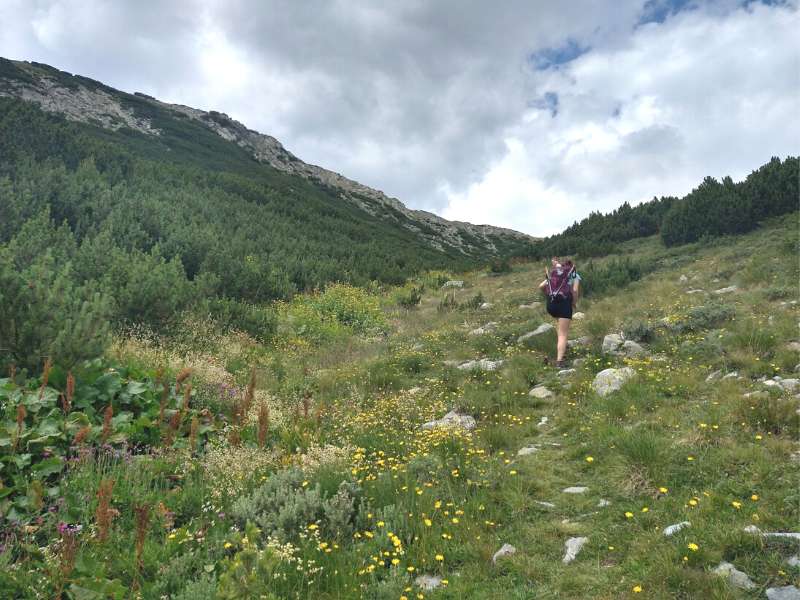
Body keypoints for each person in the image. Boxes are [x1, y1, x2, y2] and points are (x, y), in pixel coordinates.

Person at [538, 257, 581, 368]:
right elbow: (575, 291)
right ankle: (559, 362)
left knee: (560, 329)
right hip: (564, 305)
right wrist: (574, 303)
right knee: (563, 334)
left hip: (551, 306)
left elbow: (541, 286)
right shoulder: (574, 274)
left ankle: (561, 352)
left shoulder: (555, 274)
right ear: (571, 267)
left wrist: (548, 296)